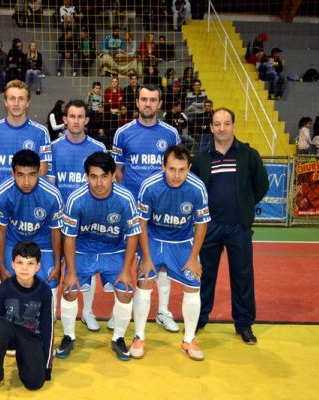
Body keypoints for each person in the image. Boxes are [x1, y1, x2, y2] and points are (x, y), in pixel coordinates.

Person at [191, 108, 269, 345]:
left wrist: (244, 205)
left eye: (226, 123)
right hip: (209, 227)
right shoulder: (202, 158)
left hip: (238, 227)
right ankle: (199, 318)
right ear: (211, 128)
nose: (222, 128)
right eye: (217, 124)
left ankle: (244, 324)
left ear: (234, 126)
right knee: (204, 275)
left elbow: (261, 185)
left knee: (242, 276)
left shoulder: (249, 155)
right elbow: (195, 191)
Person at [56, 152, 140, 361]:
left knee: (126, 291)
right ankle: (68, 336)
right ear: (86, 176)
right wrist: (70, 273)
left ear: (113, 175)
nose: (99, 183)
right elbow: (69, 238)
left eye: (104, 176)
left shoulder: (125, 198)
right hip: (83, 251)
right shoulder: (76, 199)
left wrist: (126, 271)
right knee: (69, 290)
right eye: (93, 177)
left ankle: (118, 338)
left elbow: (132, 236)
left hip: (113, 250)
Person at [112, 84, 181, 333]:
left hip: (162, 210)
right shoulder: (123, 133)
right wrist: (129, 200)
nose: (148, 104)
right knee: (125, 258)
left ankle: (162, 311)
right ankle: (119, 312)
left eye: (152, 100)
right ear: (137, 102)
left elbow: (176, 168)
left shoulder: (171, 134)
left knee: (161, 262)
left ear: (159, 104)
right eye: (144, 99)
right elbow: (118, 171)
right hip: (131, 210)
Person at [131, 145, 210, 360]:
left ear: (189, 168)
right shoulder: (150, 186)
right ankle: (139, 337)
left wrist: (193, 258)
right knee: (144, 282)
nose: (176, 175)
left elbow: (202, 224)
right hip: (154, 240)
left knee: (193, 285)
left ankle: (189, 340)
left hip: (182, 242)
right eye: (172, 169)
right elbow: (141, 223)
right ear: (163, 166)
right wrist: (146, 257)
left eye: (182, 170)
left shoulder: (197, 188)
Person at [47, 99, 106, 332]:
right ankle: (52, 312)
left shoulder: (98, 148)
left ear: (86, 120)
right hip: (59, 220)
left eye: (80, 117)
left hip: (88, 221)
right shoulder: (53, 148)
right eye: (72, 116)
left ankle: (87, 311)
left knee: (87, 267)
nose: (76, 121)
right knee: (55, 266)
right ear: (64, 120)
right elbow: (50, 184)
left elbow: (103, 186)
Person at [0, 150, 63, 316]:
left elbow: (56, 233)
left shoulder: (52, 195)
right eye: (20, 175)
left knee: (50, 281)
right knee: (9, 282)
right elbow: (0, 233)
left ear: (39, 172)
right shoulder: (2, 195)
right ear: (12, 174)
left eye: (31, 175)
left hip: (43, 241)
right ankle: (12, 319)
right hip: (13, 240)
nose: (26, 182)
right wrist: (1, 266)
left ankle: (48, 319)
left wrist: (58, 265)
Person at [0, 241, 54, 396]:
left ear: (38, 266)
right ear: (12, 265)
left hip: (30, 337)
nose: (25, 268)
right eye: (20, 262)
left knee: (35, 383)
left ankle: (24, 358)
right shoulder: (4, 289)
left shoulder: (44, 292)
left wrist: (46, 367)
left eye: (30, 263)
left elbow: (48, 328)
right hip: (8, 334)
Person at [0, 80, 51, 193]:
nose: (16, 103)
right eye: (12, 98)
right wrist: (1, 197)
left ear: (28, 102)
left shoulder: (41, 132)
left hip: (29, 197)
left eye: (21, 99)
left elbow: (42, 171)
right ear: (5, 102)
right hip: (1, 198)